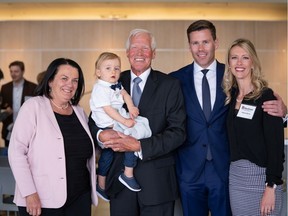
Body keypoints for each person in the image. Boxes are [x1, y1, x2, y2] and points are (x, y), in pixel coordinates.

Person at [170, 20, 287, 216]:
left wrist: (283, 113)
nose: (201, 48)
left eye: (206, 42)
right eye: (195, 43)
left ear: (216, 43)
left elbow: (261, 105)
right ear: (189, 45)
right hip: (189, 173)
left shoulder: (232, 76)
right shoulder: (175, 80)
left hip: (225, 172)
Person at [89, 29, 186, 216]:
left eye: (145, 48)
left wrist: (139, 145)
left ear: (154, 53)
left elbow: (178, 132)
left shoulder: (170, 85)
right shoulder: (111, 79)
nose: (139, 53)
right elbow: (94, 119)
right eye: (134, 48)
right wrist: (101, 135)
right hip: (118, 182)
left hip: (157, 183)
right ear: (127, 53)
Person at [8, 58, 98, 216]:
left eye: (75, 80)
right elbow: (16, 152)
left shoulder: (79, 112)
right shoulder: (33, 107)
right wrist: (29, 193)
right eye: (64, 78)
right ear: (50, 81)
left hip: (80, 198)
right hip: (41, 199)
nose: (70, 84)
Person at [223, 38, 284, 216]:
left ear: (253, 63)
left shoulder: (266, 97)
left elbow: (276, 146)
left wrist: (271, 187)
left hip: (262, 181)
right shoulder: (230, 97)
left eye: (245, 57)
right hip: (236, 179)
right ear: (229, 63)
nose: (239, 63)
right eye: (234, 58)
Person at [90, 52, 152, 200]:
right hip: (109, 123)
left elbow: (125, 94)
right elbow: (108, 110)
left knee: (110, 153)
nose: (114, 72)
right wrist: (124, 121)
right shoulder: (100, 88)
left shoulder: (115, 85)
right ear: (98, 72)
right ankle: (125, 175)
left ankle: (104, 184)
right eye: (108, 68)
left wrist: (131, 108)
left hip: (118, 119)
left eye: (117, 68)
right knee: (128, 139)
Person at [0, 60, 37, 147]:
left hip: (27, 130)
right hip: (9, 129)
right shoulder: (5, 88)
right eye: (11, 71)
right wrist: (9, 125)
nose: (13, 74)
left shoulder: (33, 87)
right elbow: (2, 107)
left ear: (23, 71)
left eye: (16, 71)